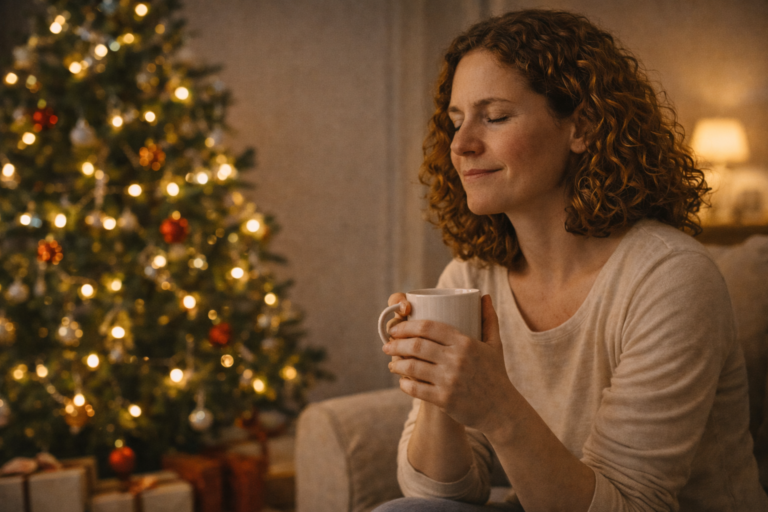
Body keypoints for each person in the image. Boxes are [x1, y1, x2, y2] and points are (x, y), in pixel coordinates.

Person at [374, 9, 768, 512]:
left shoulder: (669, 279)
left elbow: (631, 506)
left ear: (581, 126)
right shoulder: (469, 278)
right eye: (456, 122)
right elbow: (440, 496)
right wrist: (438, 389)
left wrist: (497, 408)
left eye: (495, 117)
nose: (461, 144)